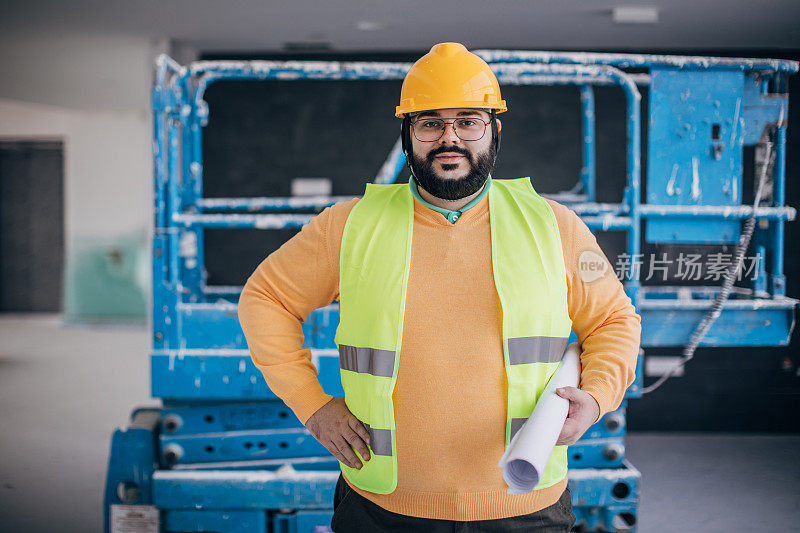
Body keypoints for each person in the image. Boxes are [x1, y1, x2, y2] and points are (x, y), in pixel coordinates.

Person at [238, 42, 641, 532]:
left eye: (468, 121)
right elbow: (265, 299)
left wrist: (597, 395)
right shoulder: (347, 227)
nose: (449, 138)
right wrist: (313, 406)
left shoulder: (558, 227)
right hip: (383, 507)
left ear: (494, 130)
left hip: (525, 507)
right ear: (407, 134)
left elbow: (614, 319)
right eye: (430, 123)